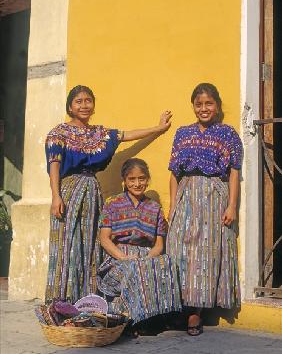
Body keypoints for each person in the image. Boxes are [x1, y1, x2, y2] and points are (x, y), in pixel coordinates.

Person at [45, 85, 172, 304]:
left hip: (91, 191)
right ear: (70, 106)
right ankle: (60, 301)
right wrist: (56, 196)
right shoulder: (59, 133)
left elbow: (128, 135)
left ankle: (85, 301)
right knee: (66, 243)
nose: (84, 105)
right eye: (79, 101)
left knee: (89, 245)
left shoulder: (100, 134)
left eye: (88, 100)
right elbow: (54, 165)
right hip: (68, 190)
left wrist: (158, 129)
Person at [166, 83, 243, 336]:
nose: (204, 108)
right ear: (193, 106)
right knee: (179, 251)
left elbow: (233, 173)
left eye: (209, 103)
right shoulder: (182, 133)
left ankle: (195, 314)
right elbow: (174, 174)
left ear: (217, 106)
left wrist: (232, 205)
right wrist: (172, 205)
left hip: (213, 196)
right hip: (186, 194)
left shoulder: (227, 134)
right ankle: (180, 307)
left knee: (205, 257)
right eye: (199, 104)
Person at [97, 158, 182, 330]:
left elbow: (158, 245)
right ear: (124, 180)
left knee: (168, 263)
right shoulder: (112, 204)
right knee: (133, 269)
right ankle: (131, 320)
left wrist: (146, 259)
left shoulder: (155, 208)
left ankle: (157, 317)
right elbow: (104, 239)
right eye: (132, 179)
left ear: (147, 179)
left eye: (141, 178)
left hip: (146, 256)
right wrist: (125, 257)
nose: (137, 183)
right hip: (117, 258)